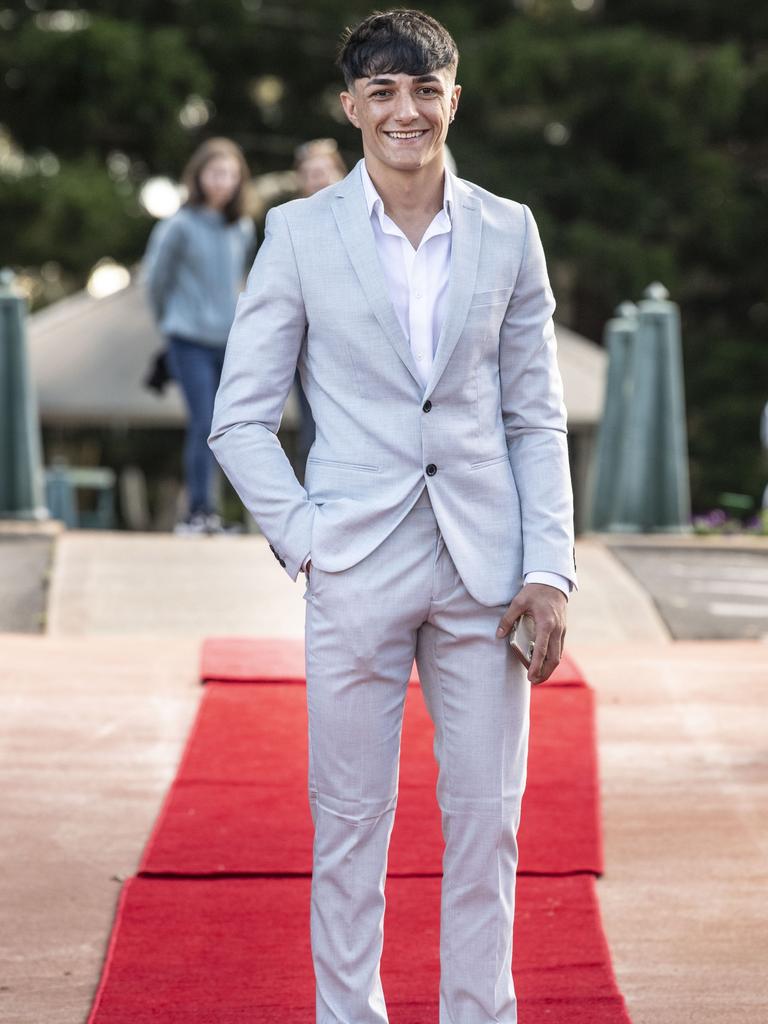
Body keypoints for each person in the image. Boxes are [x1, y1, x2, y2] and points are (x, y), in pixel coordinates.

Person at [209, 10, 577, 1023]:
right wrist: (306, 536)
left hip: (486, 568)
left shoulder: (510, 230)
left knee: (486, 826)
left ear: (453, 98)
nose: (405, 111)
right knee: (349, 825)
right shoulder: (296, 233)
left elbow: (534, 417)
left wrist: (549, 568)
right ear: (352, 106)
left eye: (424, 91)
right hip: (354, 561)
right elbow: (238, 418)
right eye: (382, 93)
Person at [144, 137, 255, 534]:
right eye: (215, 173)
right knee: (204, 422)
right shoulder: (178, 226)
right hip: (187, 340)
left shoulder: (241, 228)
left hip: (228, 343)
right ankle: (198, 512)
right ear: (199, 176)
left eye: (229, 174)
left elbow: (241, 283)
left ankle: (219, 513)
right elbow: (154, 281)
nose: (222, 181)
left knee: (229, 426)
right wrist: (170, 323)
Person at [292, 139, 349, 476]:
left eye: (324, 172)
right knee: (312, 423)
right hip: (310, 340)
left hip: (353, 336)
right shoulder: (291, 224)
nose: (319, 180)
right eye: (311, 174)